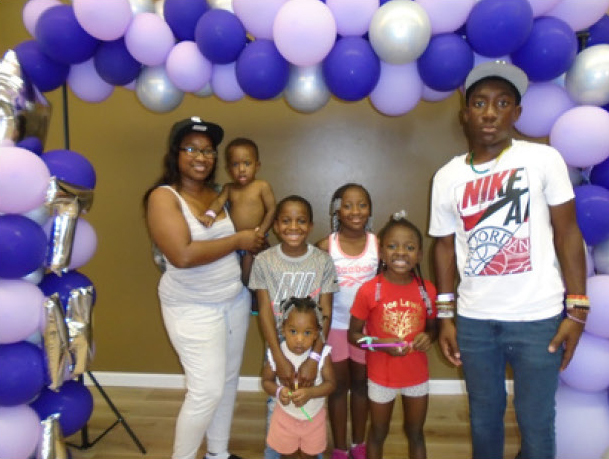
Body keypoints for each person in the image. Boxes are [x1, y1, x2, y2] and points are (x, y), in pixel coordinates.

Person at [429, 61, 588, 459]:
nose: (489, 112)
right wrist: (445, 316)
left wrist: (578, 309)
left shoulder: (543, 159)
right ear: (465, 113)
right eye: (480, 102)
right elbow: (444, 246)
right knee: (484, 417)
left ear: (517, 114)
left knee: (536, 422)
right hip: (475, 320)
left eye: (502, 103)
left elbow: (568, 232)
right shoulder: (447, 177)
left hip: (538, 319)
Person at [143, 116, 265, 459]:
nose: (202, 156)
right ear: (175, 154)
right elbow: (181, 255)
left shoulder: (219, 195)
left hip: (233, 300)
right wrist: (238, 239)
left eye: (209, 151)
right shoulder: (163, 197)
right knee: (206, 391)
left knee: (226, 383)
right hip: (192, 307)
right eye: (192, 149)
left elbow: (246, 235)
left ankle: (218, 454)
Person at [249, 195, 339, 459]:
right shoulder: (264, 261)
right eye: (286, 221)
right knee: (276, 406)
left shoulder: (323, 261)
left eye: (301, 221)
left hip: (314, 350)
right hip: (279, 351)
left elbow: (327, 312)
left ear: (310, 226)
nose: (293, 227)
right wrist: (277, 355)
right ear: (276, 225)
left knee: (313, 406)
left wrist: (314, 357)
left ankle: (314, 450)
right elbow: (264, 310)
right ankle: (275, 451)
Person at [348, 212, 437, 459]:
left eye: (409, 247)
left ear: (419, 254)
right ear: (381, 252)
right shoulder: (369, 291)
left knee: (416, 432)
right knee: (377, 431)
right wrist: (378, 344)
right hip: (381, 376)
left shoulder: (427, 290)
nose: (401, 252)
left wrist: (429, 337)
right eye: (392, 246)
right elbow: (354, 336)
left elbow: (434, 328)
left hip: (416, 375)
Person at [316, 183, 377, 459]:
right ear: (336, 210)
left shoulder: (379, 245)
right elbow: (316, 296)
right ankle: (340, 447)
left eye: (362, 204)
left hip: (367, 330)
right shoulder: (325, 246)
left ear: (370, 209)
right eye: (348, 205)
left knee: (362, 386)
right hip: (335, 328)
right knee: (338, 388)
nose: (355, 211)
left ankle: (358, 444)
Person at [262, 297, 337, 459]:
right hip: (284, 420)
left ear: (317, 334)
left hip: (314, 420)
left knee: (310, 455)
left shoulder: (323, 355)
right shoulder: (278, 354)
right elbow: (266, 381)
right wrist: (279, 391)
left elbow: (331, 384)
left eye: (307, 333)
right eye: (293, 331)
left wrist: (311, 393)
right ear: (283, 330)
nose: (300, 339)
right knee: (287, 455)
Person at [200, 138, 276, 284]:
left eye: (247, 163)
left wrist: (261, 232)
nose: (241, 169)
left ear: (257, 166)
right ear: (228, 169)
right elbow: (218, 202)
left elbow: (272, 210)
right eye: (235, 164)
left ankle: (252, 297)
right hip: (235, 240)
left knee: (248, 275)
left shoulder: (261, 186)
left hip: (254, 239)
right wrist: (210, 215)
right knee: (232, 272)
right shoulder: (229, 188)